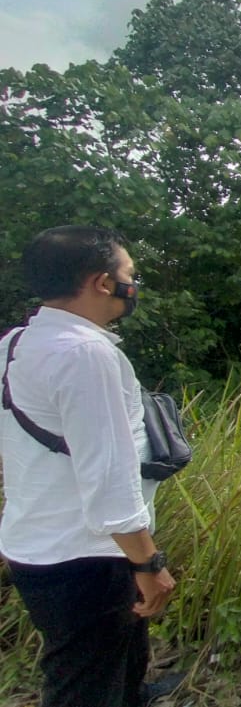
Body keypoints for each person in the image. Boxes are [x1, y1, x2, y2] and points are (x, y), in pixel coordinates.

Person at [0, 225, 176, 707]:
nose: (133, 284)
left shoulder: (15, 343)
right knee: (83, 685)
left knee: (116, 660)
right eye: (129, 274)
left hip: (38, 541)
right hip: (87, 555)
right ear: (103, 282)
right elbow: (108, 474)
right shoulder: (85, 354)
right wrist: (147, 562)